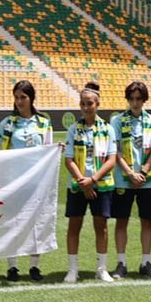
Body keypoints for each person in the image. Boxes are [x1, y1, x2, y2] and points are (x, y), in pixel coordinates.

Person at [0, 79, 53, 282]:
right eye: (17, 97)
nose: (19, 101)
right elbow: (2, 155)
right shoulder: (7, 124)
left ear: (31, 99)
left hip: (36, 182)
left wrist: (57, 150)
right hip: (14, 182)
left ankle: (34, 266)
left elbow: (48, 150)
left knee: (35, 224)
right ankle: (12, 266)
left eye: (23, 97)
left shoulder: (43, 123)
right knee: (12, 223)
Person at [62, 83, 116, 283]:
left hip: (101, 185)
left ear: (97, 104)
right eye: (83, 104)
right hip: (78, 185)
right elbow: (69, 159)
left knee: (101, 226)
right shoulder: (73, 130)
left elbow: (111, 160)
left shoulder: (108, 129)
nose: (86, 107)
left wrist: (92, 180)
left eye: (90, 103)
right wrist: (82, 181)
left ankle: (101, 268)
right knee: (74, 225)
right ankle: (73, 269)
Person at [109, 80, 151, 279]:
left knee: (147, 221)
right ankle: (121, 262)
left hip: (148, 180)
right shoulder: (117, 120)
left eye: (138, 98)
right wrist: (130, 173)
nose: (135, 102)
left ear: (144, 99)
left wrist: (144, 171)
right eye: (131, 98)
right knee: (121, 221)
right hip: (124, 180)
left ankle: (146, 262)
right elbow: (116, 150)